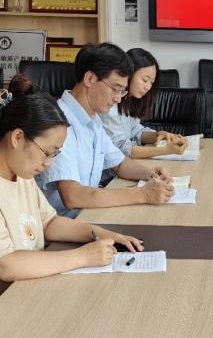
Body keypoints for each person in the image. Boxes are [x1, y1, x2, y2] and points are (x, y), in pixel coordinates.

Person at [0, 76, 145, 338]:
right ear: (17, 138)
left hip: (15, 300)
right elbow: (4, 265)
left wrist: (100, 233)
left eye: (55, 154)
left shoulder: (17, 169)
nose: (48, 163)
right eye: (46, 153)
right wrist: (82, 256)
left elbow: (48, 222)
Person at [36, 42, 174, 217]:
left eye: (122, 91)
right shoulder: (60, 122)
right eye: (115, 89)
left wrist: (151, 174)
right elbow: (73, 196)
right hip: (64, 223)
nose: (118, 99)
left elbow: (120, 164)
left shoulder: (93, 119)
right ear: (90, 79)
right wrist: (143, 194)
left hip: (89, 214)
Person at [99, 47, 189, 159]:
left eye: (151, 82)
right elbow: (121, 148)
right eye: (145, 80)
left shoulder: (129, 99)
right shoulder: (109, 104)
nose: (148, 87)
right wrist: (165, 150)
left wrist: (159, 135)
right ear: (128, 74)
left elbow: (135, 130)